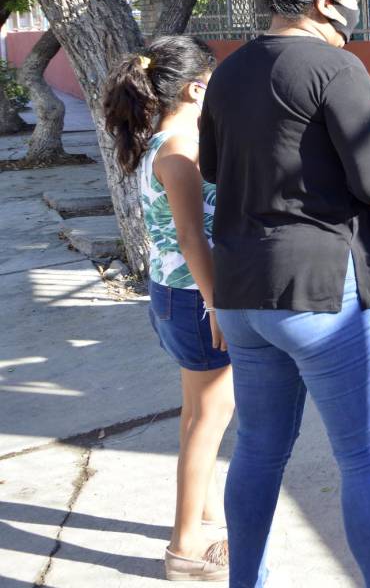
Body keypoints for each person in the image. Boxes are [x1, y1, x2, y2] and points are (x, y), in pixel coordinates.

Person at [199, 0, 370, 585]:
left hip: (241, 293)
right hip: (320, 291)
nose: (358, 4)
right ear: (325, 1)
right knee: (366, 461)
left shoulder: (230, 69)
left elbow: (212, 169)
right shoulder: (336, 69)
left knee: (258, 451)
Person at [103, 36, 233, 581]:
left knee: (197, 416)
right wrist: (218, 305)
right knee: (209, 420)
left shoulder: (162, 141)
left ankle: (205, 516)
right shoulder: (180, 148)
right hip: (194, 298)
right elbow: (190, 237)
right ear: (197, 86)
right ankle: (185, 549)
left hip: (173, 293)